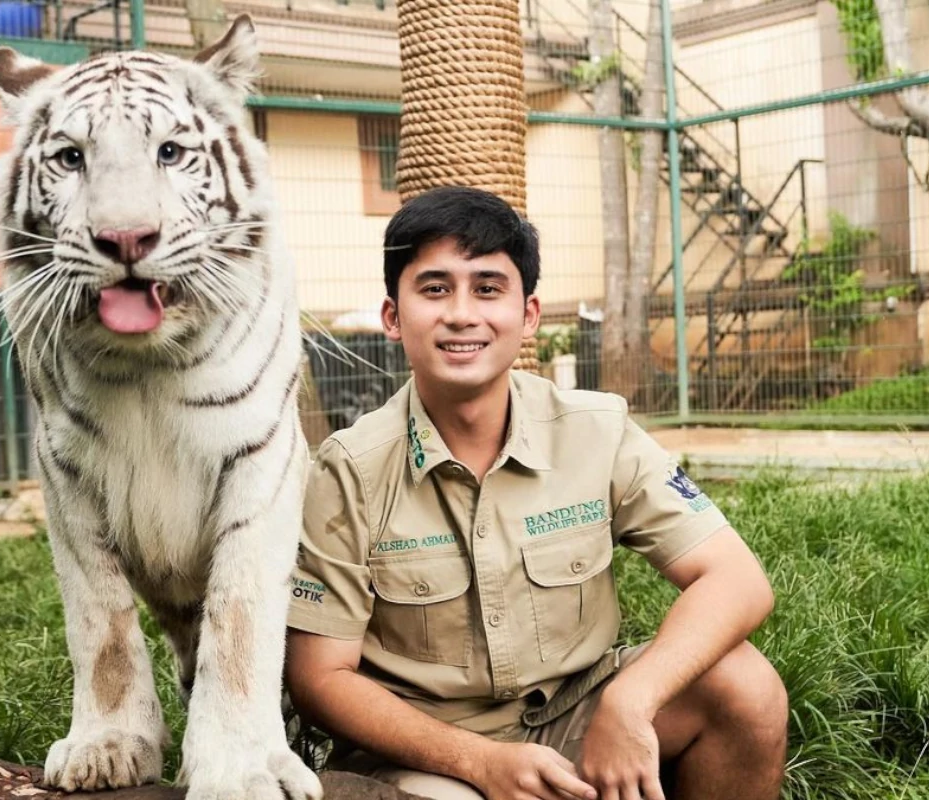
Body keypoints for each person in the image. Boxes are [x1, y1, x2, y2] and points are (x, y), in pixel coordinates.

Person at [284, 186, 788, 800]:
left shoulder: (596, 431)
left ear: (528, 315)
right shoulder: (349, 472)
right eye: (435, 288)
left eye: (489, 288)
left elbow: (736, 579)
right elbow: (319, 678)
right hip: (432, 748)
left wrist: (631, 701)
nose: (462, 313)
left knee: (745, 685)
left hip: (582, 709)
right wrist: (480, 762)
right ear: (394, 316)